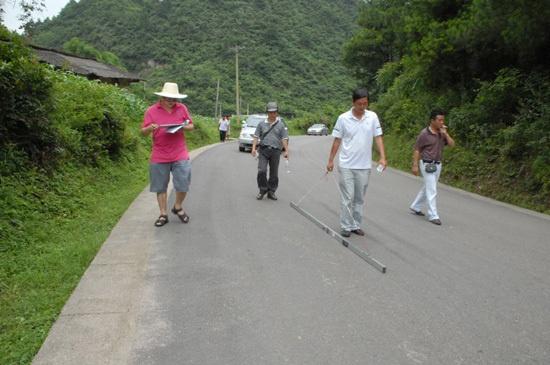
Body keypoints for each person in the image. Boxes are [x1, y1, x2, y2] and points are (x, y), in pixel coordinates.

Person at [326, 88, 387, 238]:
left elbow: (378, 137)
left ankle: (355, 225)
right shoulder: (343, 118)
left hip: (364, 166)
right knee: (348, 197)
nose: (362, 107)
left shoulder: (372, 117)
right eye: (359, 104)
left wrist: (383, 157)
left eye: (365, 103)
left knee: (359, 198)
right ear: (353, 103)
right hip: (346, 164)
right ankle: (346, 226)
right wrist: (330, 160)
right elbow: (337, 140)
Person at [141, 82, 194, 227]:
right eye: (169, 99)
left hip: (179, 152)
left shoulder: (182, 108)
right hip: (159, 154)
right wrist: (150, 128)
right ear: (162, 98)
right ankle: (163, 214)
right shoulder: (151, 111)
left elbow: (191, 125)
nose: (172, 102)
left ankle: (177, 206)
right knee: (160, 186)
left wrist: (184, 126)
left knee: (183, 183)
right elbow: (143, 132)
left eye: (174, 99)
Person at [409, 109, 455, 225]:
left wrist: (446, 134)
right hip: (427, 164)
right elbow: (417, 149)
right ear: (432, 121)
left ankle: (415, 206)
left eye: (443, 120)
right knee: (432, 189)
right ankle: (433, 215)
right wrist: (415, 165)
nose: (442, 122)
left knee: (428, 187)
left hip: (438, 164)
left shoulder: (442, 133)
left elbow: (452, 144)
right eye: (439, 120)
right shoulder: (424, 134)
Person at [251, 101, 289, 200]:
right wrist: (254, 148)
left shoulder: (280, 125)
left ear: (277, 112)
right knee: (262, 171)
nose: (272, 114)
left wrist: (286, 150)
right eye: (270, 112)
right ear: (267, 113)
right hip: (263, 150)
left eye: (274, 112)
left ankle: (271, 191)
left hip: (276, 151)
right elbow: (256, 136)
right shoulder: (261, 124)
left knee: (274, 173)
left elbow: (284, 138)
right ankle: (262, 189)